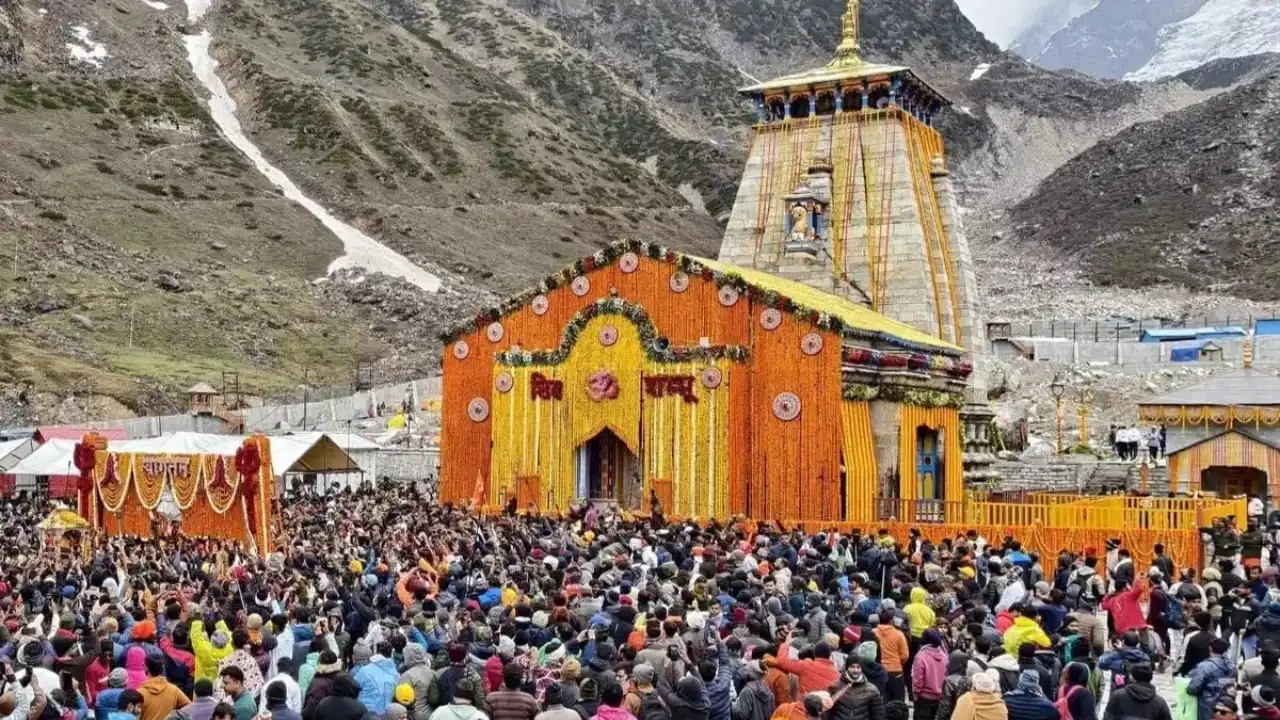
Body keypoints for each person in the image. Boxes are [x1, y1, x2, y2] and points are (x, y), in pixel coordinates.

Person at [1101, 663, 1170, 720]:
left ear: (1132, 677)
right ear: (1150, 678)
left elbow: (1107, 717)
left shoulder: (1118, 696)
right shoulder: (1160, 702)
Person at [1187, 638, 1234, 720]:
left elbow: (1193, 688)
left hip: (1207, 707)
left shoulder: (1204, 667)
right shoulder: (1232, 666)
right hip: (1227, 706)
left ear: (1210, 648)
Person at [138, 654, 191, 720]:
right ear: (162, 668)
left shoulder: (140, 692)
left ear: (146, 668)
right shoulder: (173, 689)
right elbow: (189, 706)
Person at [872, 614, 909, 703]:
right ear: (891, 621)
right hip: (895, 670)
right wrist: (897, 662)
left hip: (877, 669)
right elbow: (905, 655)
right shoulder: (899, 634)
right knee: (897, 701)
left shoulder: (872, 632)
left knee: (879, 700)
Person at [912, 630, 948, 720]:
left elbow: (917, 680)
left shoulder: (920, 657)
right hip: (940, 698)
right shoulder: (944, 656)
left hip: (924, 699)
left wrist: (915, 695)